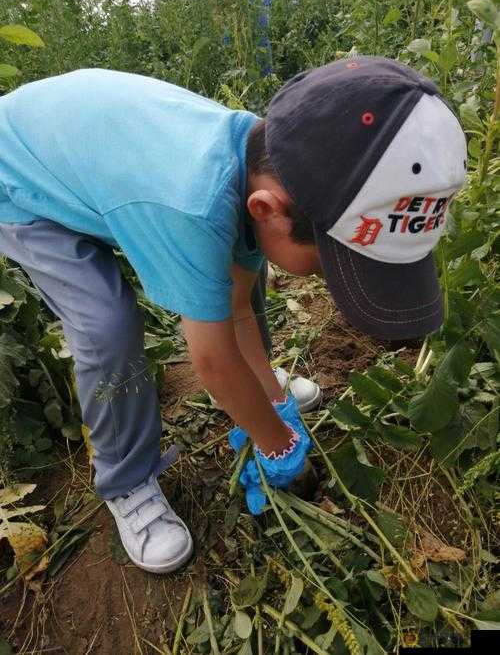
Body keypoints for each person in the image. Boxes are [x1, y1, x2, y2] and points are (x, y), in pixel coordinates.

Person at [0, 56, 466, 574]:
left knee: (239, 284)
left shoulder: (267, 163)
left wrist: (270, 402)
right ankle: (126, 481)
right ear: (267, 209)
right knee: (107, 324)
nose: (323, 280)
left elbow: (237, 307)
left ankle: (264, 388)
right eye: (329, 264)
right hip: (22, 177)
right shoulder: (192, 205)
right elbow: (214, 361)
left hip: (94, 156)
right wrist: (277, 443)